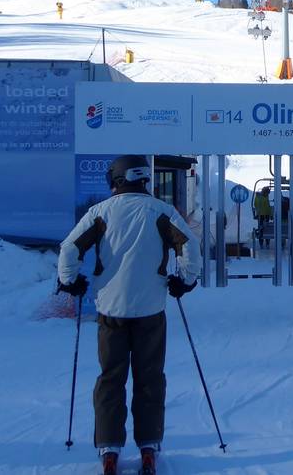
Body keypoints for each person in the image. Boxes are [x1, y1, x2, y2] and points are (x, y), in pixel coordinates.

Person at [57, 155, 202, 475]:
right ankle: (149, 446)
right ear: (143, 179)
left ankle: (109, 448)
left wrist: (70, 281)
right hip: (151, 309)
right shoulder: (161, 211)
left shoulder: (100, 212)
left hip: (111, 310)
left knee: (111, 378)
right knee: (150, 378)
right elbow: (189, 244)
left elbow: (69, 248)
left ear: (117, 179)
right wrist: (186, 280)